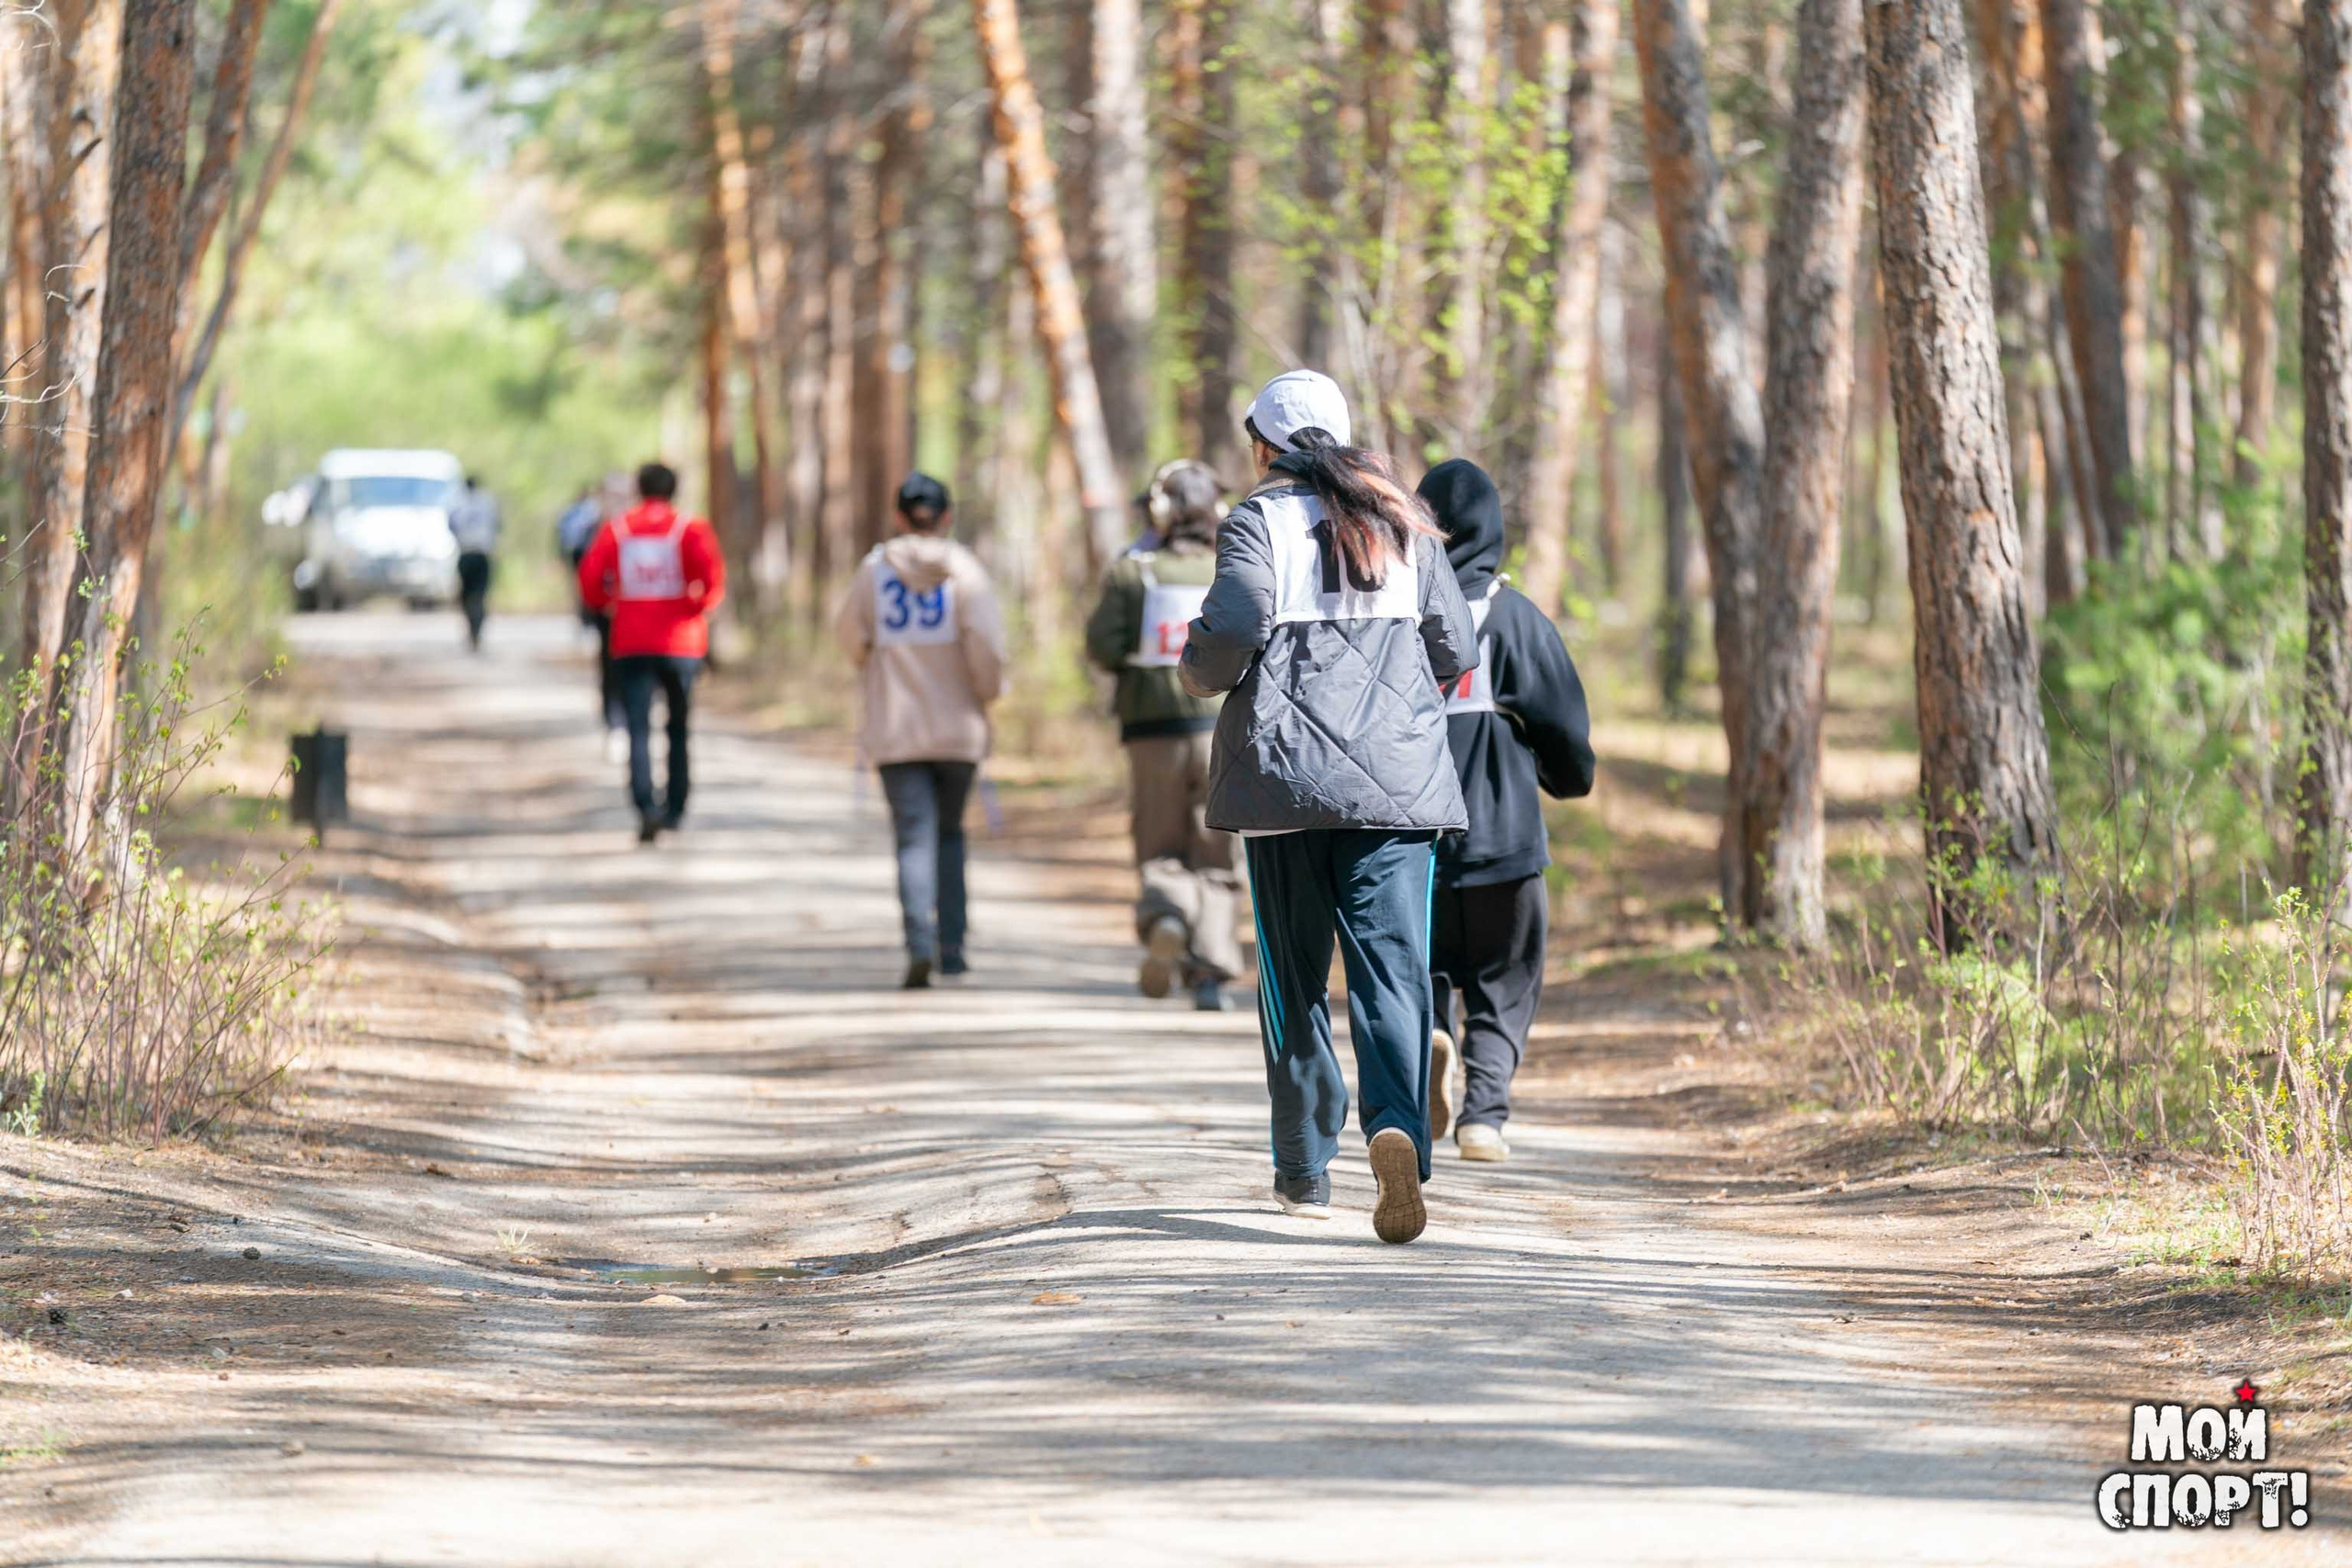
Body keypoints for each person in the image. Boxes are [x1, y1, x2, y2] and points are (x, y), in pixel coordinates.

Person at [1180, 370, 1477, 1246]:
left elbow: (1233, 630)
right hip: (1398, 789)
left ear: (1264, 447)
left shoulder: (1258, 520)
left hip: (1283, 787)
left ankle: (1306, 1168)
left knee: (1293, 980)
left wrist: (1197, 669)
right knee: (1394, 971)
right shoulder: (1402, 519)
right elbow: (1455, 645)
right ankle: (1398, 1126)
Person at [1417, 459, 1596, 1164]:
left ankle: (1433, 1035)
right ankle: (1483, 1116)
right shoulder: (1514, 619)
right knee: (1504, 980)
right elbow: (1564, 729)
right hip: (1504, 840)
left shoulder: (1401, 616)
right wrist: (1565, 778)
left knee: (1422, 968)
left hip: (1415, 844)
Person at [835, 474, 1007, 991]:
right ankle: (952, 949)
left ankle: (917, 942)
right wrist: (987, 691)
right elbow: (987, 644)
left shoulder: (874, 570)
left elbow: (849, 635)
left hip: (896, 728)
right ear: (946, 516)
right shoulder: (965, 571)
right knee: (950, 833)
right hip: (958, 729)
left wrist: (874, 661)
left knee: (913, 835)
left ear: (899, 517)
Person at [1084, 460, 1240, 1012]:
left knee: (1159, 845)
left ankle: (1169, 916)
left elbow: (1102, 645)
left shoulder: (1133, 571)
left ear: (1160, 512)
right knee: (1217, 850)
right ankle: (1210, 969)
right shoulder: (1233, 568)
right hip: (1222, 729)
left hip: (1150, 732)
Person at [576, 463, 726, 843]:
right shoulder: (690, 528)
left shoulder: (618, 529)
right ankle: (674, 808)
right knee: (678, 726)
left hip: (631, 641)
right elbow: (713, 581)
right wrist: (696, 609)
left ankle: (645, 806)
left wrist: (608, 605)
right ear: (674, 489)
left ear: (639, 489)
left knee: (638, 727)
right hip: (682, 643)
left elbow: (590, 578)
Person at [557, 484, 625, 759]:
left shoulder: (619, 529)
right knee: (613, 670)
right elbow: (589, 573)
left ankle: (621, 726)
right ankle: (617, 725)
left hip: (632, 617)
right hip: (615, 614)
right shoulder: (601, 528)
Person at [447, 475, 502, 651]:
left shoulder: (457, 502)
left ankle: (474, 629)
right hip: (481, 554)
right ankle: (475, 628)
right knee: (478, 594)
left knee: (469, 595)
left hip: (467, 553)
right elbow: (498, 525)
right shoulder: (487, 502)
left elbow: (450, 525)